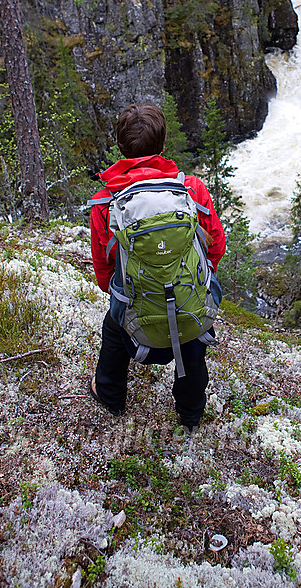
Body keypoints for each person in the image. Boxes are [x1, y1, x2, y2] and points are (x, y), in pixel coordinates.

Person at [88, 101, 226, 432]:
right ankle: (190, 414)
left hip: (137, 325)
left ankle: (109, 395)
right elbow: (216, 247)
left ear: (120, 149)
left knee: (114, 324)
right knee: (193, 338)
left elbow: (104, 274)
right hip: (189, 310)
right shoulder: (191, 189)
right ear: (163, 145)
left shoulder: (104, 201)